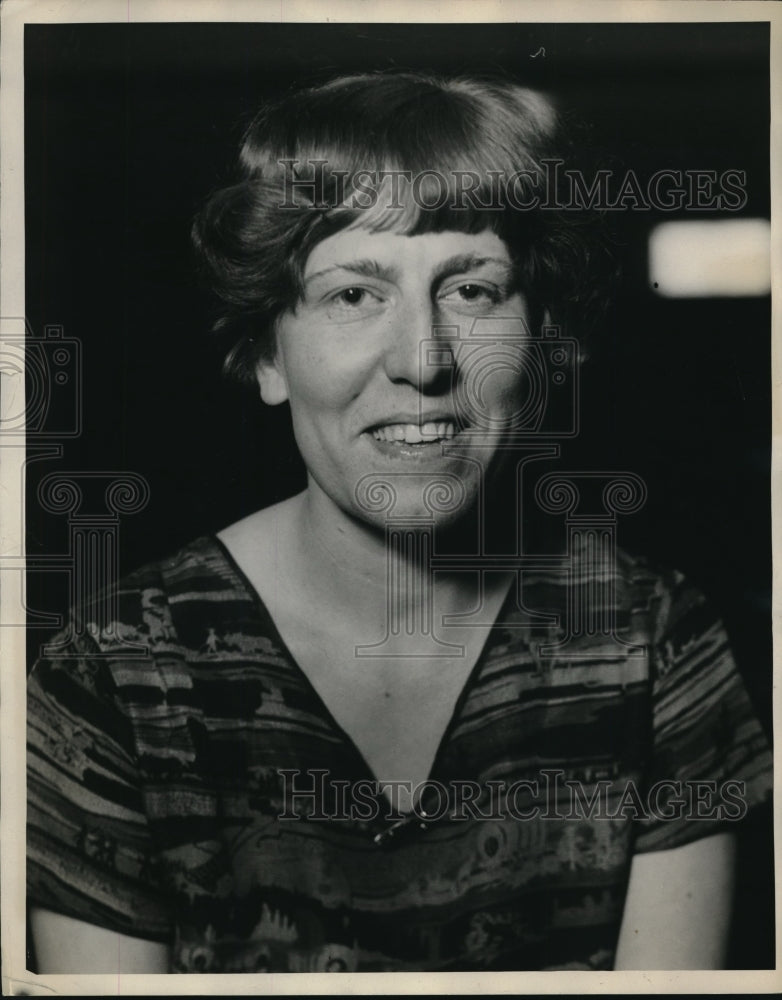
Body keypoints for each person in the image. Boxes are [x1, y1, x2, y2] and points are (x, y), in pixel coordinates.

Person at [27, 72, 772, 973]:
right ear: (268, 355)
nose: (423, 360)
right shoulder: (115, 672)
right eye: (353, 295)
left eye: (473, 291)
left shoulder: (652, 643)